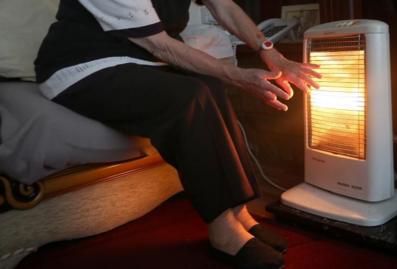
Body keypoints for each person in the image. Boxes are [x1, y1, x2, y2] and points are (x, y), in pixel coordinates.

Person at [35, 0, 320, 268]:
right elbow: (160, 45)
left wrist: (270, 52)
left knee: (212, 86)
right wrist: (241, 76)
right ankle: (222, 230)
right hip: (81, 66)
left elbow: (223, 4)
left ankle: (238, 212)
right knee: (189, 97)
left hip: (140, 59)